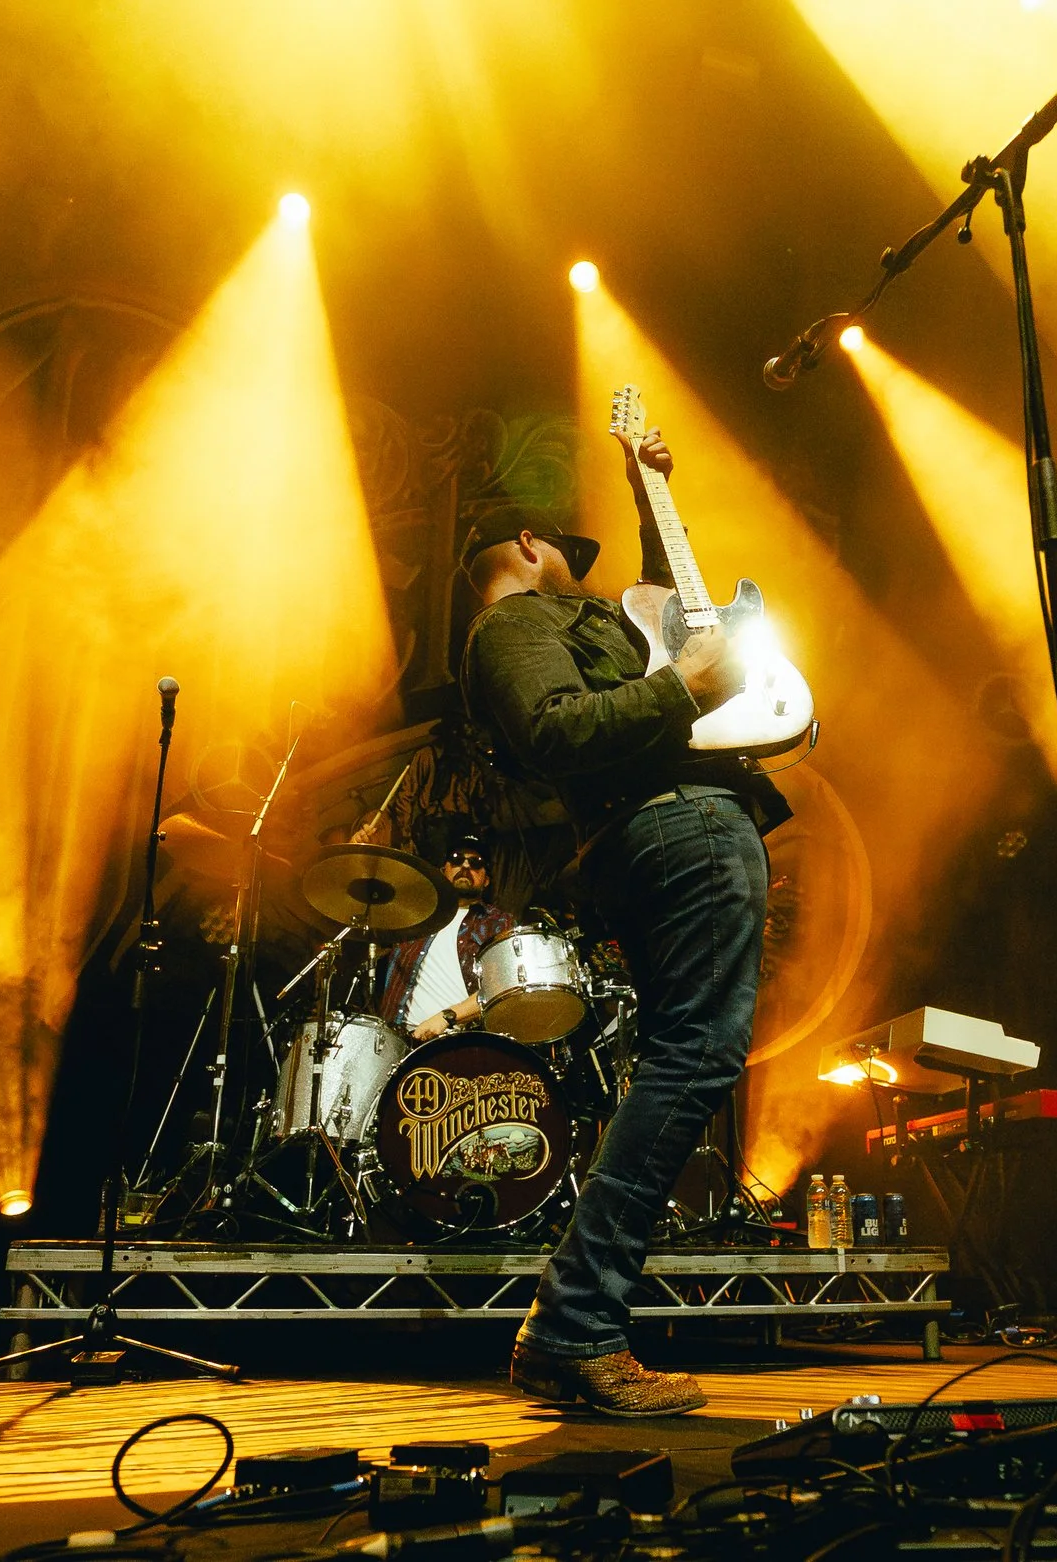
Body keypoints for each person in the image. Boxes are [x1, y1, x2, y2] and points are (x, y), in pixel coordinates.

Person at [459, 430, 788, 1417]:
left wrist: (653, 498)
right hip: (678, 822)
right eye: (565, 550)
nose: (581, 571)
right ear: (529, 544)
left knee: (687, 1058)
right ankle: (573, 1325)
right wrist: (683, 689)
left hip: (675, 821)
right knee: (694, 1058)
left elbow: (663, 614)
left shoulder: (570, 619)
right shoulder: (510, 623)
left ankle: (575, 1322)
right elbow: (556, 727)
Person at [378, 836, 515, 1041]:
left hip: (464, 1041)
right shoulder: (413, 916)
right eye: (456, 859)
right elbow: (362, 918)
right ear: (443, 871)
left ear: (486, 880)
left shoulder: (498, 922)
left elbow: (503, 985)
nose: (465, 866)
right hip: (398, 1042)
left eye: (476, 863)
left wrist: (447, 1017)